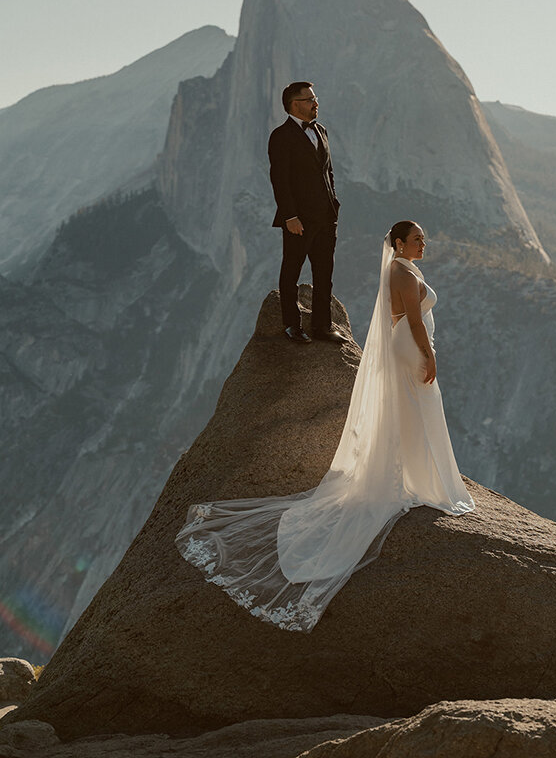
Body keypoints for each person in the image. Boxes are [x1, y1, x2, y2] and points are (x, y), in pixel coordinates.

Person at [175, 221, 475, 632]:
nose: (425, 242)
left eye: (426, 236)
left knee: (412, 411)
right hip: (411, 346)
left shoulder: (402, 268)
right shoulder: (402, 272)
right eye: (418, 238)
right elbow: (415, 321)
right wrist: (429, 355)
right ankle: (419, 478)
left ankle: (413, 474)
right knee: (416, 408)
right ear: (399, 243)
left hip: (404, 344)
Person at [268, 81, 343, 344]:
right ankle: (292, 325)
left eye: (315, 97)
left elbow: (328, 171)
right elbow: (280, 179)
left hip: (326, 217)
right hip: (298, 220)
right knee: (291, 272)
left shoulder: (320, 130)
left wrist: (333, 203)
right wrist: (290, 216)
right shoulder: (281, 135)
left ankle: (323, 326)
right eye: (310, 99)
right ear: (294, 104)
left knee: (325, 274)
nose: (316, 102)